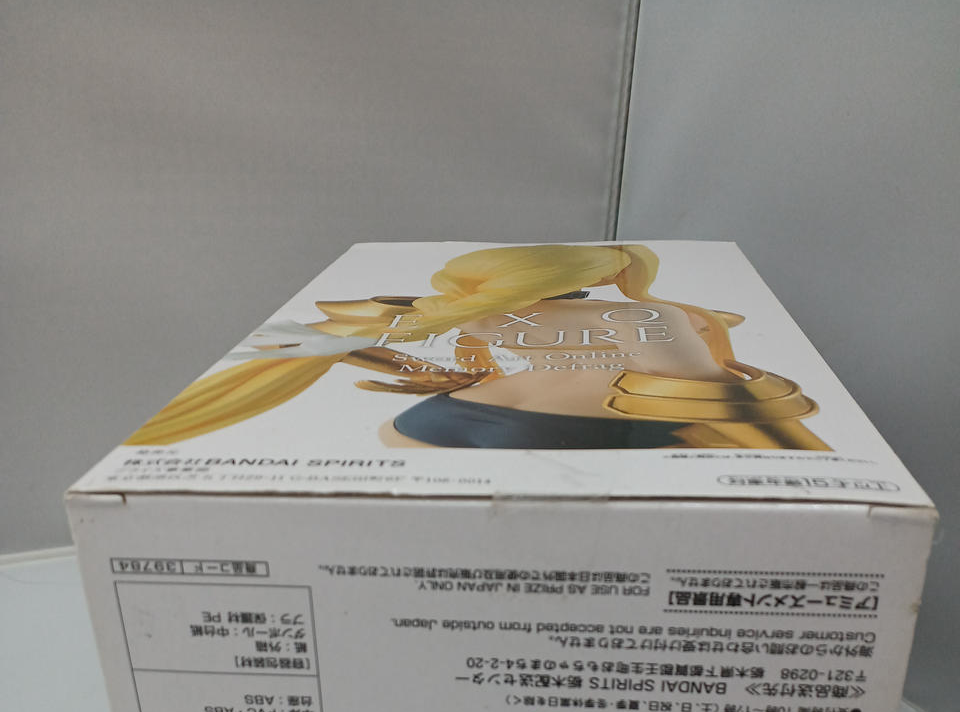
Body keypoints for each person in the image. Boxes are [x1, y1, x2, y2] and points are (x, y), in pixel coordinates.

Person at [126, 244, 828, 451]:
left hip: (443, 424)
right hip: (549, 432)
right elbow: (717, 403)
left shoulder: (488, 319)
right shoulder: (648, 315)